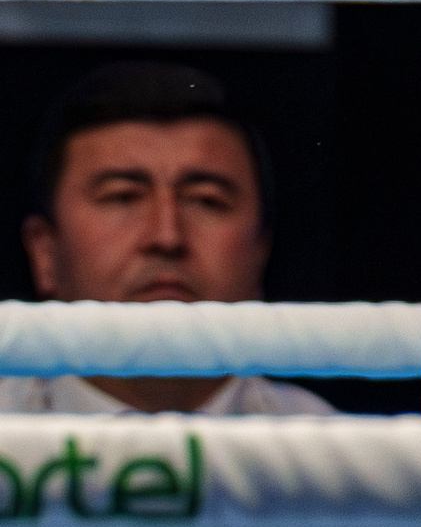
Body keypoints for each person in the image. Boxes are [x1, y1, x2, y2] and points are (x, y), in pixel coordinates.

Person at [8, 60, 332, 415]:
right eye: (122, 196)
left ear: (261, 252)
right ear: (45, 253)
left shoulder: (341, 461)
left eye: (206, 200)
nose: (167, 236)